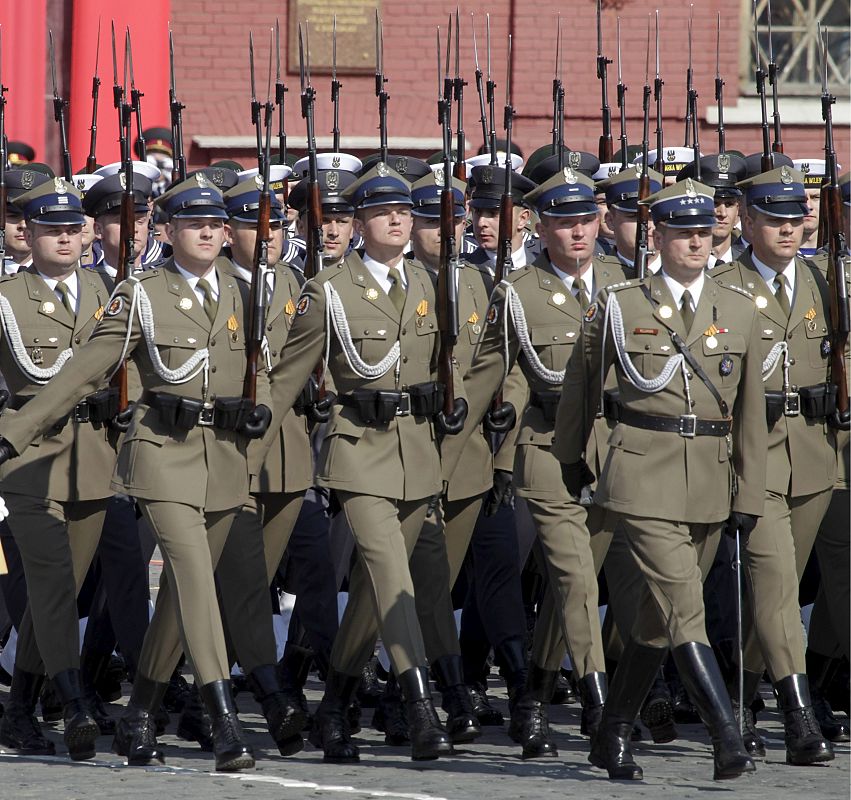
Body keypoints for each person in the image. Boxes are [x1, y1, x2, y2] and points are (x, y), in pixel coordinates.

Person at [0, 173, 274, 773]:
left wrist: (263, 416)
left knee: (173, 595)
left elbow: (268, 371)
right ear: (169, 231)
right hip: (158, 456)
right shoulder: (138, 294)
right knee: (191, 576)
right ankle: (223, 717)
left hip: (220, 458)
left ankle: (140, 710)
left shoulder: (245, 292)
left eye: (216, 223)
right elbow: (78, 374)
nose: (208, 231)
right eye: (194, 222)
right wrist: (12, 434)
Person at [554, 177, 765, 781]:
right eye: (683, 233)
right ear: (658, 236)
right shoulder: (621, 305)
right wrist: (573, 459)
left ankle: (612, 734)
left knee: (655, 619)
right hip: (642, 473)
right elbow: (580, 387)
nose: (697, 243)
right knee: (684, 604)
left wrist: (747, 492)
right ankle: (728, 739)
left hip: (708, 479)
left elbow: (748, 414)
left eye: (704, 232)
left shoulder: (739, 312)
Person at [261, 163, 468, 763]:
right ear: (356, 224)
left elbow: (440, 366)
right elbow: (289, 378)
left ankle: (333, 710)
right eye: (382, 212)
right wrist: (245, 445)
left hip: (415, 453)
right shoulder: (328, 289)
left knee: (379, 594)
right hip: (358, 450)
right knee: (391, 575)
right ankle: (421, 705)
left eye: (404, 210)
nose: (399, 219)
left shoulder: (429, 284)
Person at [711, 165, 837, 765]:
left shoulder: (822, 279)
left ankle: (744, 696)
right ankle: (798, 714)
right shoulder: (724, 285)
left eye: (795, 220)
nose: (788, 231)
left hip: (814, 452)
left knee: (779, 592)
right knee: (777, 582)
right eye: (774, 221)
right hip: (753, 455)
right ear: (749, 221)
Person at [0, 178, 117, 761]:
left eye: (74, 228)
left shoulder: (110, 291)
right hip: (27, 456)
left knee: (60, 594)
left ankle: (19, 707)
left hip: (94, 455)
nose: (66, 237)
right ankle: (72, 703)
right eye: (53, 229)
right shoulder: (6, 298)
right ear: (31, 234)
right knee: (49, 583)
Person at [676, 154, 748, 268]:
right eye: (715, 203)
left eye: (729, 204)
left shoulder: (750, 262)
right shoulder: (681, 263)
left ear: (738, 209)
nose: (722, 213)